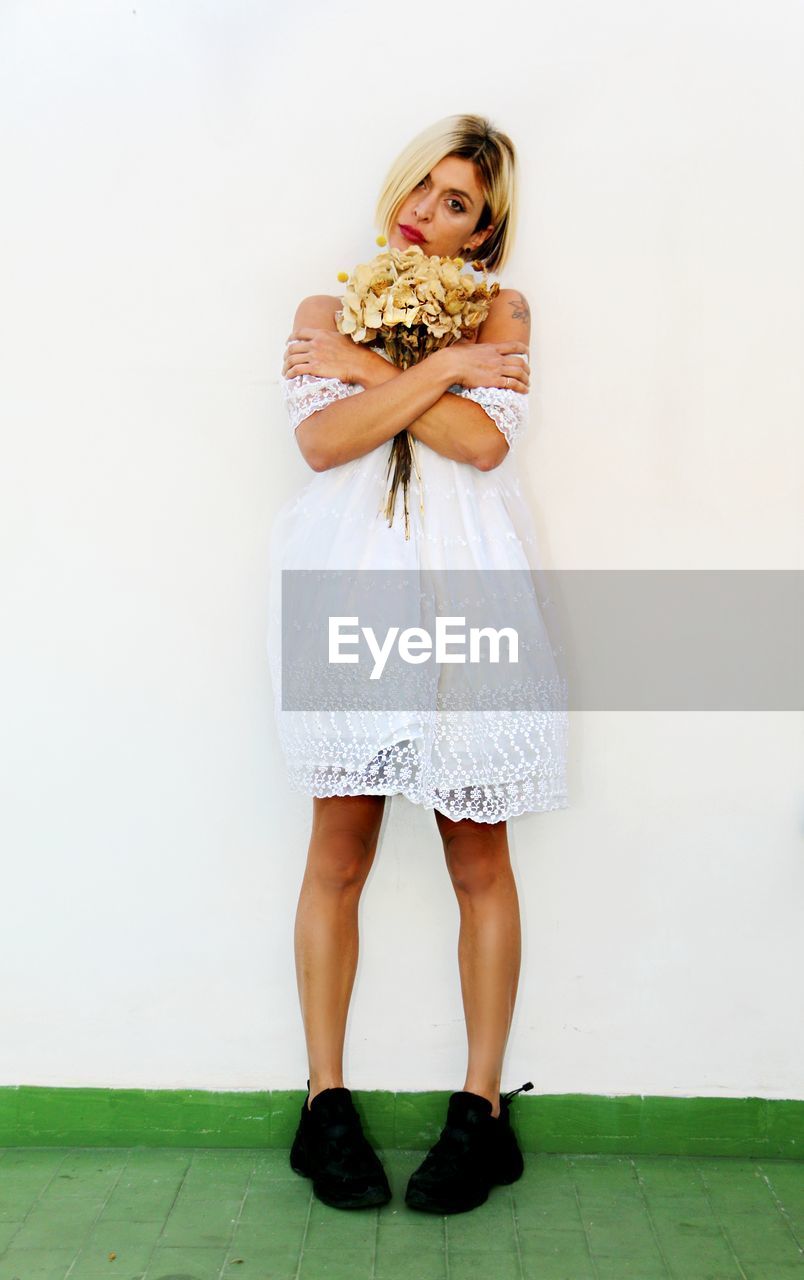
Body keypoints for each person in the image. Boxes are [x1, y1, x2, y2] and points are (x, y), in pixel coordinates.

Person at [268, 114, 568, 1215]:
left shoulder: (502, 311)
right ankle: (324, 1103)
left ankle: (482, 1111)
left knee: (476, 854)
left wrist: (392, 366)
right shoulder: (320, 308)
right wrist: (434, 372)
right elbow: (325, 442)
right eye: (422, 188)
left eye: (457, 204)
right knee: (338, 850)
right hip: (350, 592)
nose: (425, 212)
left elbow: (485, 445)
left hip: (469, 598)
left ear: (484, 235)